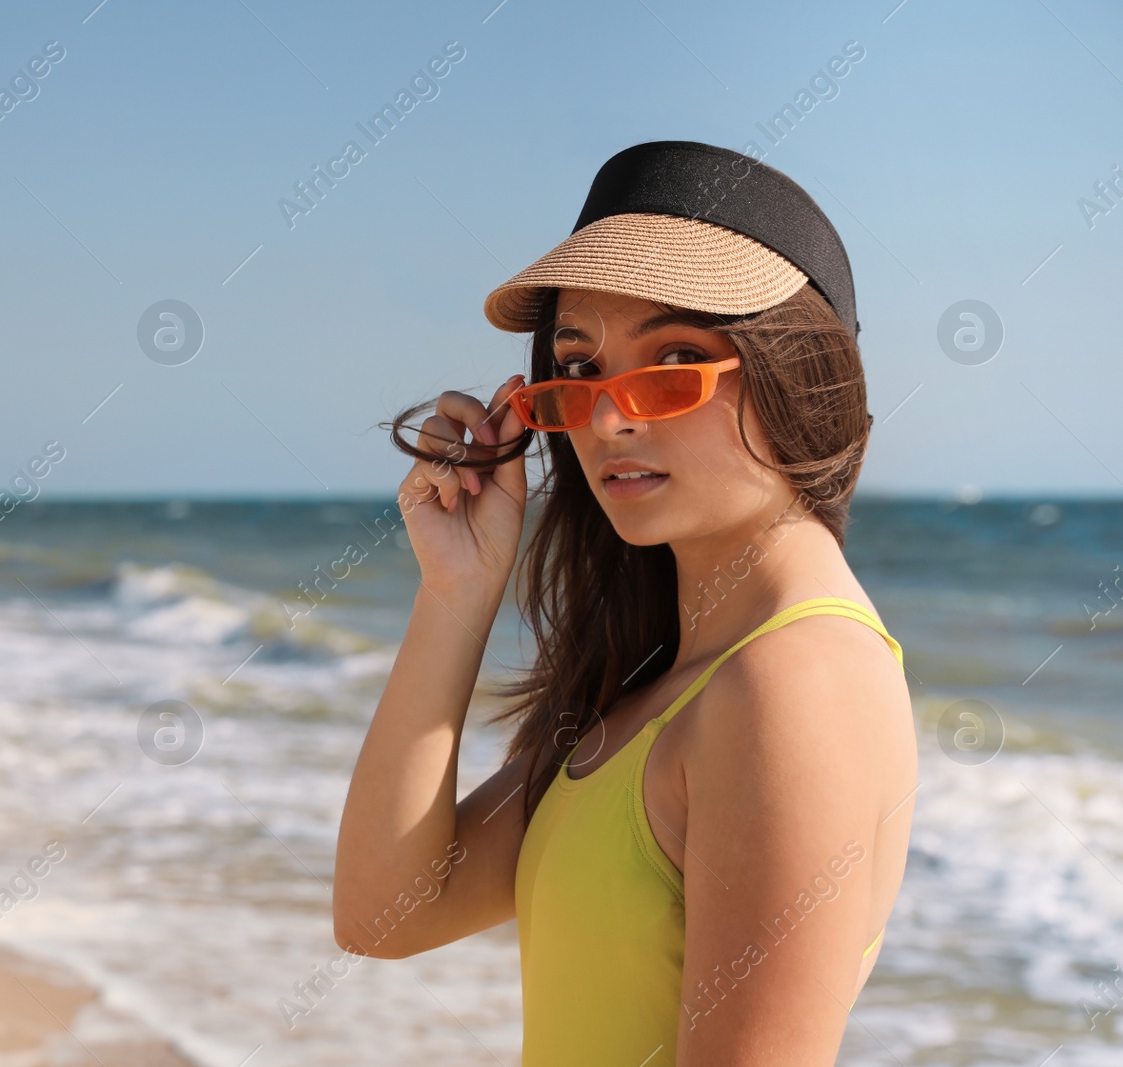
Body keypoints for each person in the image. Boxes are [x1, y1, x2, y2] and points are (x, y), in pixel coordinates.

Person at [333, 141, 916, 1066]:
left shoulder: (795, 682)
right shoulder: (668, 683)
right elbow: (384, 912)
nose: (610, 417)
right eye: (581, 365)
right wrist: (457, 589)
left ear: (801, 373)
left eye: (675, 357)